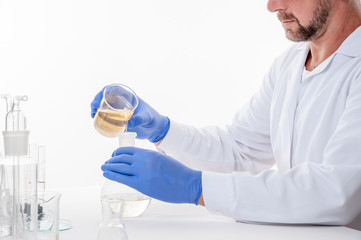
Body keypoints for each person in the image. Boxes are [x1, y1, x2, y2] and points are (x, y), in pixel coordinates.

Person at [91, 0, 361, 227]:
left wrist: (197, 188)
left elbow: (335, 193)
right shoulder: (289, 65)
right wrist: (163, 130)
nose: (272, 6)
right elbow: (240, 149)